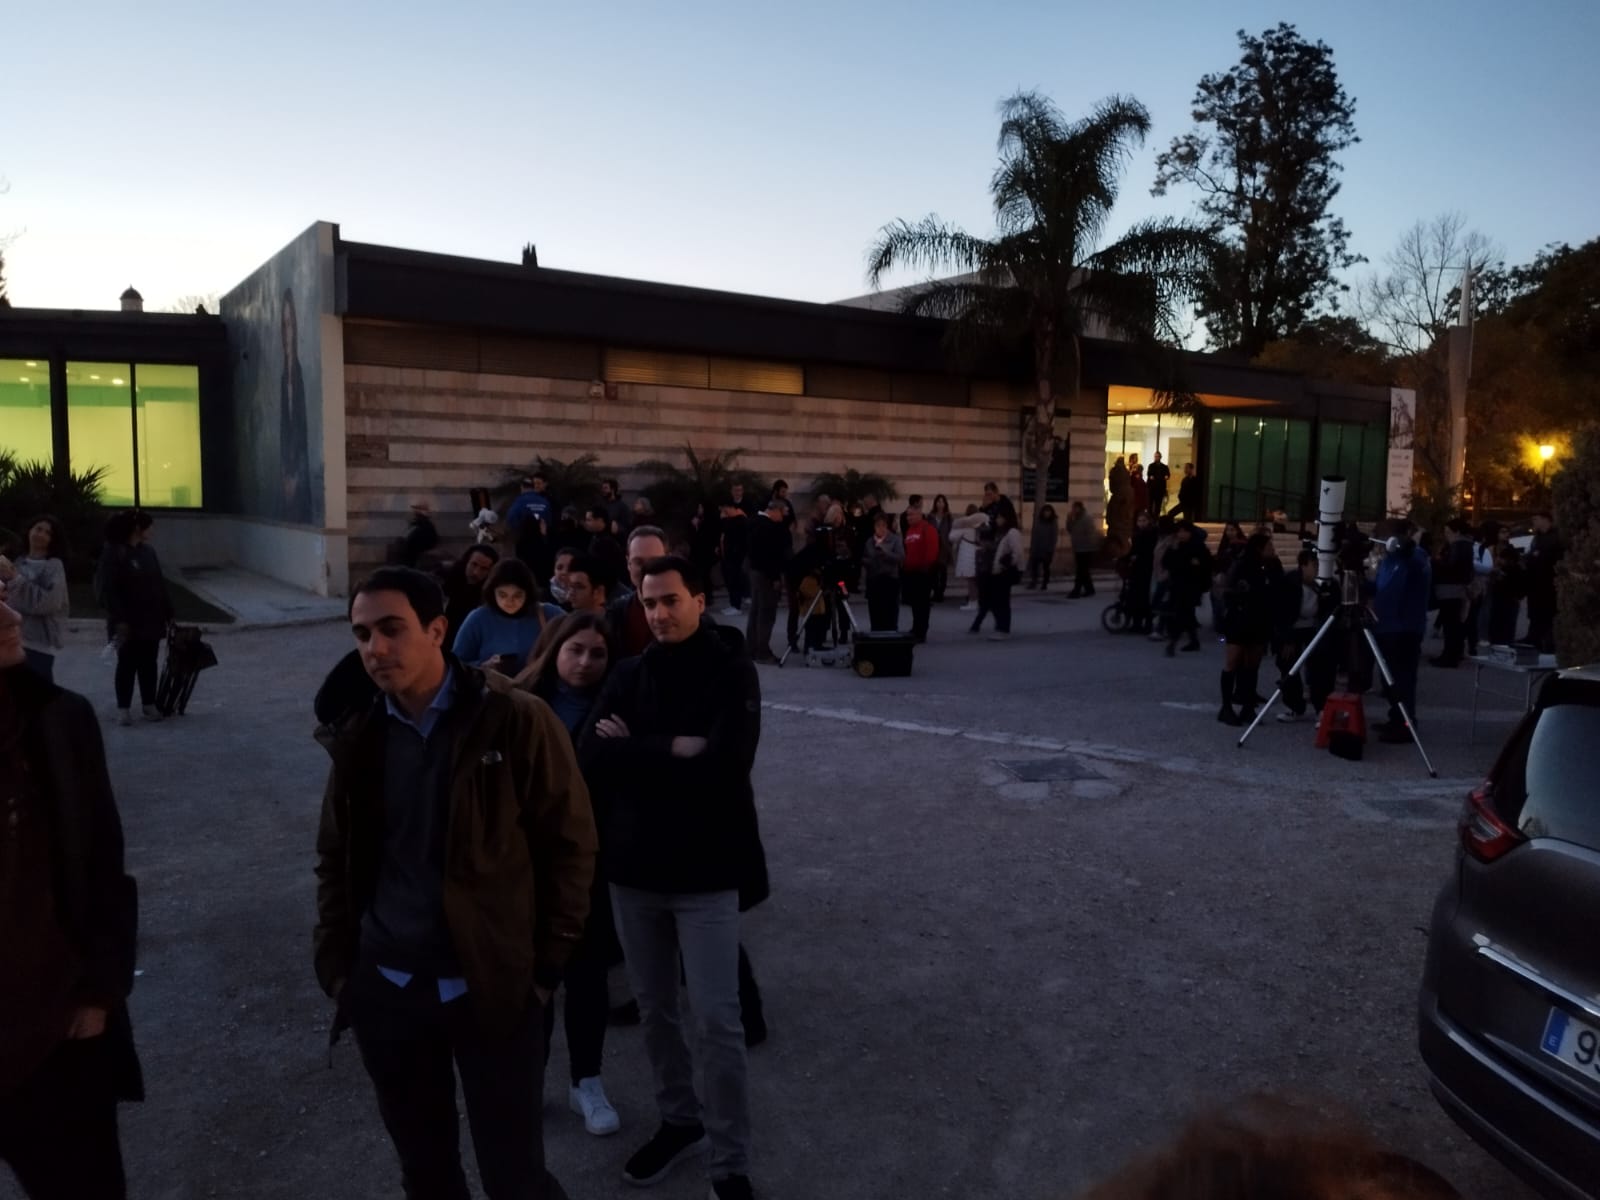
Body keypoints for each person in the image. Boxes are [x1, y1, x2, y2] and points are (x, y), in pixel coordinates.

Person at [312, 566, 596, 1200]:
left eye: (392, 629)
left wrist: (545, 968)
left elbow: (571, 848)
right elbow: (335, 852)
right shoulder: (360, 729)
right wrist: (338, 966)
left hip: (492, 989)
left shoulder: (514, 720)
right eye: (362, 634)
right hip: (388, 989)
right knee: (427, 1175)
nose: (374, 648)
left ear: (438, 630)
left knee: (515, 1177)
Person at [578, 557, 767, 1200]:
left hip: (706, 874)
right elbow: (590, 755)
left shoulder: (731, 669)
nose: (658, 612)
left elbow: (726, 763)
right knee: (656, 1011)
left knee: (717, 1021)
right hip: (633, 873)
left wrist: (633, 748)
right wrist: (670, 747)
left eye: (670, 600)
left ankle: (731, 1161)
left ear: (699, 600)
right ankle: (680, 1121)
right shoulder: (628, 672)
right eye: (648, 601)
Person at [0, 584, 143, 1200]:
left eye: (2, 593)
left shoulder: (57, 721)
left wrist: (100, 989)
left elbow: (104, 865)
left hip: (58, 1030)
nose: (10, 616)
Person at [515, 612, 624, 1137]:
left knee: (586, 975)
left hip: (589, 864)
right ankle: (527, 1081)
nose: (584, 663)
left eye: (597, 653)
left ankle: (587, 1080)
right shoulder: (519, 705)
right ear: (554, 649)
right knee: (530, 978)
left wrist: (627, 748)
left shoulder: (620, 706)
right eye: (574, 650)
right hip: (527, 863)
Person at [102, 511, 173, 727]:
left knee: (149, 663)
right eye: (149, 526)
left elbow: (158, 583)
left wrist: (168, 611)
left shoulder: (148, 552)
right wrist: (119, 618)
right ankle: (123, 708)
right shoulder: (115, 553)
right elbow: (109, 589)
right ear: (137, 528)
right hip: (127, 621)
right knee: (126, 664)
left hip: (151, 619)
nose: (152, 531)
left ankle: (148, 704)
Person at [1371, 522, 1432, 744]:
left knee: (1402, 679)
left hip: (1405, 628)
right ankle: (1396, 717)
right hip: (1386, 626)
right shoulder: (1389, 561)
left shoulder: (1415, 557)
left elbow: (1416, 566)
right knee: (1389, 679)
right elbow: (1381, 587)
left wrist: (1404, 548)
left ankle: (1406, 724)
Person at [451, 558, 560, 674]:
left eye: (517, 595)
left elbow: (573, 628)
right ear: (493, 592)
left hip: (541, 684)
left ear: (527, 593)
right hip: (492, 684)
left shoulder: (547, 613)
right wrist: (483, 667)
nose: (510, 602)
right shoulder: (478, 618)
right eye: (502, 595)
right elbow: (456, 663)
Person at [1216, 533, 1277, 726]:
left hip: (1259, 620)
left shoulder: (1271, 566)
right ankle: (1226, 707)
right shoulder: (1242, 565)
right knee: (1232, 662)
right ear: (1259, 548)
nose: (1272, 549)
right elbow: (1228, 591)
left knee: (1252, 664)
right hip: (1239, 619)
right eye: (1269, 546)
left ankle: (1248, 706)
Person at [0, 515, 69, 682]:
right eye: (38, 529)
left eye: (48, 533)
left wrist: (16, 580)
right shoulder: (17, 562)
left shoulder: (53, 566)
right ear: (29, 531)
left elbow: (50, 603)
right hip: (11, 643)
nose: (41, 534)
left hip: (38, 646)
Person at [1273, 549, 1334, 723]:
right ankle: (1295, 706)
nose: (1317, 569)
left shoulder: (1322, 584)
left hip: (1314, 628)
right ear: (1303, 565)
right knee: (1288, 665)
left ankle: (1321, 707)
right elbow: (1280, 613)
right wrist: (1287, 638)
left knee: (1319, 667)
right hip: (1293, 629)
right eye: (1314, 565)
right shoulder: (1290, 583)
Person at [608, 526, 670, 658]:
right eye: (639, 562)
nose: (646, 568)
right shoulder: (616, 613)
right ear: (628, 563)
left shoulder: (689, 611)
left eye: (655, 561)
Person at [745, 496, 791, 664]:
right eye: (783, 513)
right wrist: (775, 577)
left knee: (755, 611)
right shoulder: (769, 527)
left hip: (755, 571)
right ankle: (762, 651)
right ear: (775, 510)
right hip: (765, 575)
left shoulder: (753, 522)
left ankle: (752, 648)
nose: (783, 517)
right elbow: (770, 556)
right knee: (766, 612)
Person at [971, 504, 1023, 640]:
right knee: (997, 601)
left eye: (1000, 517)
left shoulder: (1012, 532)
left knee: (1003, 601)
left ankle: (1003, 629)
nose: (998, 519)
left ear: (1006, 518)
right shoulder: (1001, 532)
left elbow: (1017, 552)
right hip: (997, 572)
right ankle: (1000, 627)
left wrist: (1007, 563)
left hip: (1005, 572)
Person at [1430, 519, 1477, 668]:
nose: (1446, 535)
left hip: (1450, 589)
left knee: (1450, 625)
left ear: (1456, 532)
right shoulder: (1467, 546)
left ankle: (1449, 657)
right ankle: (1453, 654)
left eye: (1448, 532)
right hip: (1457, 589)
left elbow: (1451, 566)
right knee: (1454, 624)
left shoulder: (1458, 546)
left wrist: (1435, 562)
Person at [1162, 523, 1212, 656]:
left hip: (1192, 587)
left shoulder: (1198, 547)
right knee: (1187, 614)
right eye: (1179, 531)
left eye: (1184, 531)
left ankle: (1172, 643)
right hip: (1177, 586)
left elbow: (1205, 566)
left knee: (1181, 614)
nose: (1181, 534)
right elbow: (1166, 562)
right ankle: (1194, 641)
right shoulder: (1177, 546)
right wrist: (1173, 551)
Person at [439, 543, 499, 652]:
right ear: (467, 561)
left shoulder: (489, 596)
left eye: (484, 569)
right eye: (474, 564)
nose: (476, 572)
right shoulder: (445, 581)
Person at [1523, 511, 1562, 654]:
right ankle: (1533, 638)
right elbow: (1532, 555)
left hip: (1549, 582)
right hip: (1535, 582)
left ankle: (1548, 643)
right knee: (1535, 612)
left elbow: (1553, 558)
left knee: (1548, 614)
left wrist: (1538, 556)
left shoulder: (1556, 537)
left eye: (1536, 519)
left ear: (1545, 519)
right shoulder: (1537, 537)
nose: (1533, 522)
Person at [900, 502, 940, 642]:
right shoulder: (909, 531)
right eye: (907, 515)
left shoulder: (928, 529)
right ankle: (915, 627)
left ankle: (921, 631)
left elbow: (932, 551)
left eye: (911, 515)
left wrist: (925, 567)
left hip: (923, 572)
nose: (908, 518)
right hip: (911, 572)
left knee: (922, 603)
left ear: (919, 514)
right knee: (915, 603)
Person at [862, 513, 904, 632]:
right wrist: (870, 560)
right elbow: (864, 558)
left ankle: (891, 631)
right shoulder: (870, 541)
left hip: (890, 579)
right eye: (878, 525)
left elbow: (900, 557)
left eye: (883, 525)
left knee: (890, 609)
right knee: (875, 609)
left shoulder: (895, 539)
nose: (881, 528)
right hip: (874, 579)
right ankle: (876, 631)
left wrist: (886, 553)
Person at [508, 473, 555, 578]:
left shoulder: (519, 501)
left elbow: (511, 520)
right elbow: (549, 521)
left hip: (524, 541)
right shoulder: (545, 501)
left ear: (522, 488)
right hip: (541, 542)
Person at [1126, 511, 1159, 635]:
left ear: (1149, 521)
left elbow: (1148, 552)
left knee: (1145, 598)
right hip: (1137, 570)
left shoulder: (1152, 534)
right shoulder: (1137, 534)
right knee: (1136, 597)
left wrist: (1137, 557)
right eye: (1139, 521)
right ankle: (1137, 623)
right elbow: (1134, 550)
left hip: (1147, 570)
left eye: (1144, 521)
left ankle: (1147, 624)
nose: (1141, 523)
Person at [1488, 543, 1526, 646]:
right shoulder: (1516, 570)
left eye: (1502, 558)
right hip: (1507, 601)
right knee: (1505, 625)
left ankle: (1500, 643)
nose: (1500, 560)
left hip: (1507, 601)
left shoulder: (1510, 571)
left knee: (1503, 624)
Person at [719, 496, 751, 618]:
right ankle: (733, 604)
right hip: (729, 555)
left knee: (735, 580)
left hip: (736, 556)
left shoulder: (741, 520)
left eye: (725, 510)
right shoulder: (729, 520)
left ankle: (736, 606)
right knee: (730, 580)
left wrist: (737, 551)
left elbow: (744, 540)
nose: (724, 512)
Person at [951, 505, 983, 611]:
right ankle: (977, 601)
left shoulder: (965, 525)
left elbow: (952, 537)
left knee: (971, 580)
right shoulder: (980, 525)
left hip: (968, 554)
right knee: (976, 580)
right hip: (979, 554)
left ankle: (972, 602)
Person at [389, 501, 440, 569]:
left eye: (416, 510)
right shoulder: (416, 525)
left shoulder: (423, 525)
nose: (413, 512)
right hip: (408, 556)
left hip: (411, 558)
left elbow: (429, 542)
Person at [1066, 501, 1098, 598]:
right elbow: (1070, 529)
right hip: (1078, 547)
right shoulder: (1075, 518)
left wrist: (1090, 544)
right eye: (1073, 508)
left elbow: (1091, 533)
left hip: (1086, 549)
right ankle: (1090, 589)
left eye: (1075, 508)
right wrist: (1069, 519)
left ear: (1080, 508)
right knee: (1084, 571)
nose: (1073, 510)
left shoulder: (1086, 518)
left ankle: (1077, 590)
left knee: (1081, 571)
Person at [1027, 504, 1059, 591]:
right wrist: (1033, 547)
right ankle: (1034, 581)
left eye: (1048, 512)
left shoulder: (1053, 522)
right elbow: (1035, 534)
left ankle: (1045, 583)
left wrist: (1051, 549)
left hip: (1047, 549)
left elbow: (1054, 537)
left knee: (1046, 567)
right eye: (1045, 511)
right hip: (1037, 548)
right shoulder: (1039, 521)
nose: (1047, 513)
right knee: (1034, 566)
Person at [928, 494, 954, 602]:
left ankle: (941, 593)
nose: (940, 504)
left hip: (944, 546)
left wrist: (949, 544)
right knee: (933, 571)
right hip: (933, 545)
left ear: (945, 504)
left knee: (943, 571)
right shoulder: (931, 516)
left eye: (942, 501)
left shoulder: (948, 516)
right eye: (938, 501)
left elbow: (952, 530)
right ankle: (935, 591)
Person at [1145, 451, 1171, 516]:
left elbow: (1168, 475)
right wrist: (1151, 477)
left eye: (1158, 456)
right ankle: (1150, 517)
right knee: (1150, 504)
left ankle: (1156, 518)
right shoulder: (1151, 466)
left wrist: (1166, 476)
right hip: (1152, 489)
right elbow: (1149, 474)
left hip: (1160, 489)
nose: (1156, 458)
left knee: (1158, 505)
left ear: (1160, 457)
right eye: (1155, 456)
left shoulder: (1164, 466)